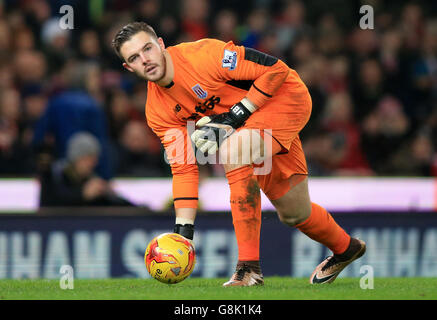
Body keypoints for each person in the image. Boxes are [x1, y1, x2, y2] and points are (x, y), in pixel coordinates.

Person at [111, 22, 366, 286]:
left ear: (161, 44)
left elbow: (276, 69)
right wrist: (183, 234)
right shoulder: (157, 111)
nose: (145, 60)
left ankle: (248, 269)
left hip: (284, 98)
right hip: (249, 130)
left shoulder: (204, 56)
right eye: (134, 58)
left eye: (148, 49)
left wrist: (236, 115)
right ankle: (347, 248)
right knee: (294, 213)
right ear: (129, 68)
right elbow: (184, 168)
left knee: (233, 149)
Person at [39, 132, 134, 207]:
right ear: (76, 158)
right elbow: (51, 202)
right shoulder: (55, 175)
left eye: (94, 159)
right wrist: (82, 195)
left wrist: (109, 193)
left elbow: (116, 205)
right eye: (88, 159)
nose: (92, 164)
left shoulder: (91, 179)